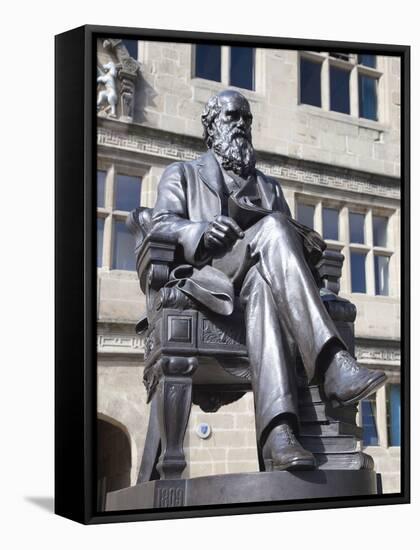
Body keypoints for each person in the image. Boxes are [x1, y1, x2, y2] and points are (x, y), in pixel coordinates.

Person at [151, 89, 386, 471]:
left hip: (256, 287)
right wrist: (202, 231)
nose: (241, 125)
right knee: (274, 226)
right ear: (211, 127)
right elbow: (161, 224)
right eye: (232, 117)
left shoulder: (269, 187)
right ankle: (331, 362)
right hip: (211, 279)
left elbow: (287, 246)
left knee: (265, 277)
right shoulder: (182, 174)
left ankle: (279, 435)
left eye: (246, 119)